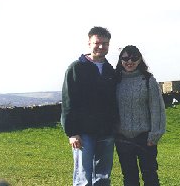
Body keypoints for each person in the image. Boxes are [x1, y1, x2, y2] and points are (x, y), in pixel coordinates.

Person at [60, 26, 118, 186]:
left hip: (106, 130)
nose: (101, 46)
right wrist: (72, 132)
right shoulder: (76, 68)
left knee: (103, 176)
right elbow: (68, 102)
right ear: (89, 43)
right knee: (83, 177)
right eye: (97, 43)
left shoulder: (110, 70)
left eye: (105, 43)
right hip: (83, 132)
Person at [115, 45, 166, 186]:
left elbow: (157, 110)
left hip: (145, 137)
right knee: (129, 177)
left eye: (134, 58)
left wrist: (155, 135)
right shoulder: (115, 81)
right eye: (125, 58)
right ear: (120, 60)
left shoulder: (148, 80)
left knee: (150, 176)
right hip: (122, 138)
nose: (129, 61)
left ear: (139, 60)